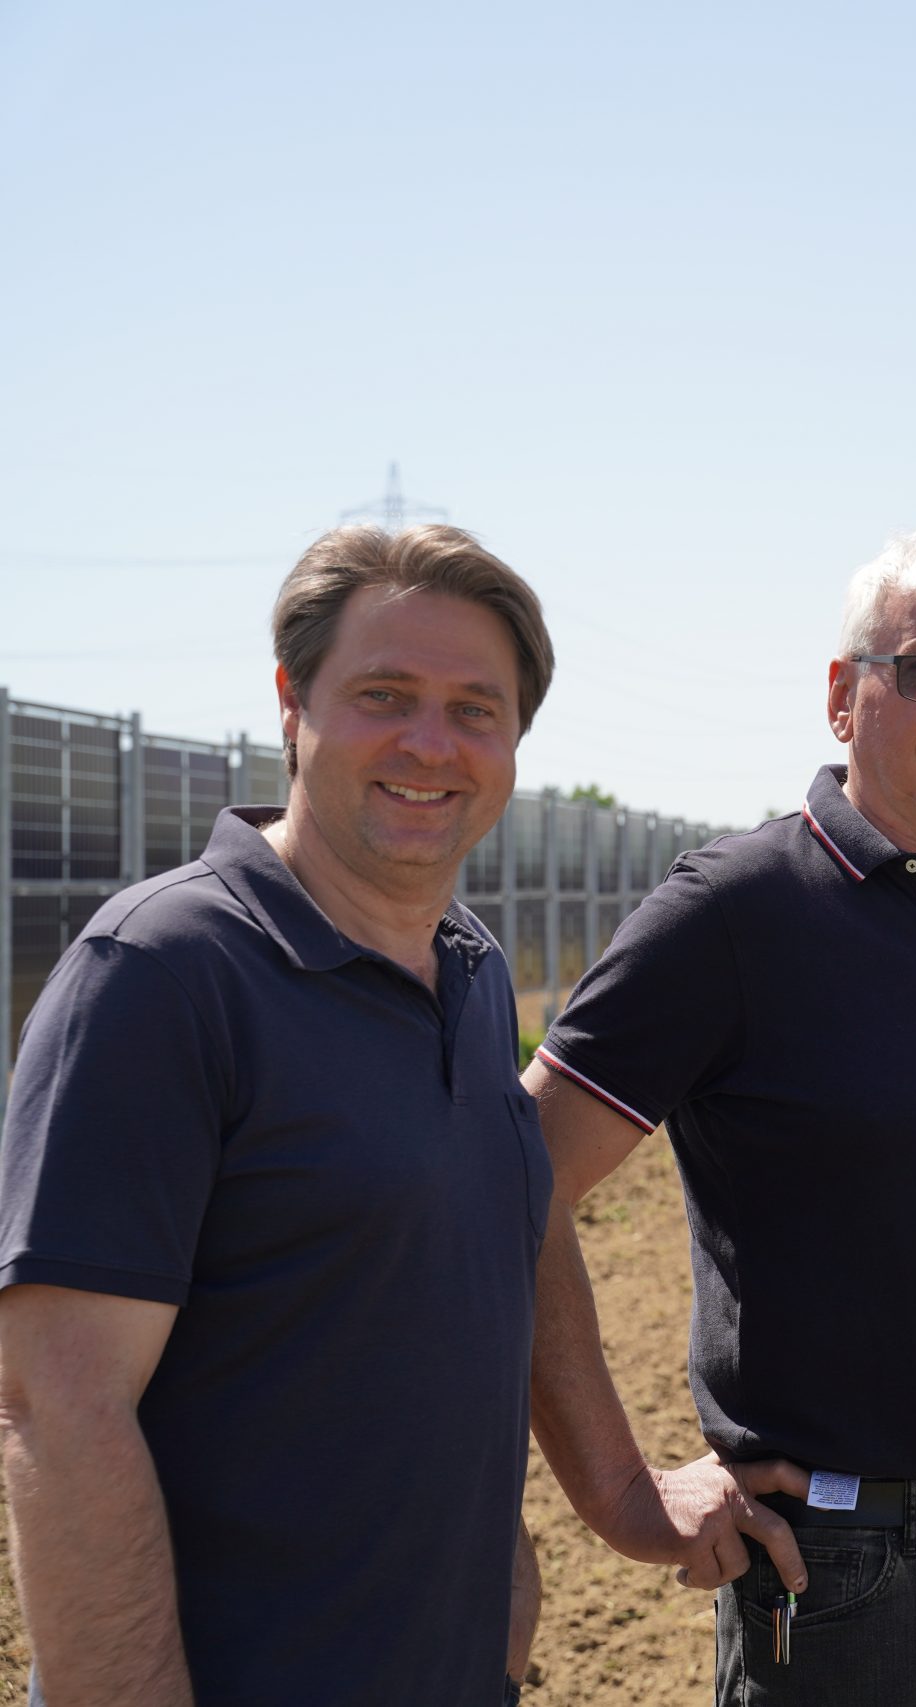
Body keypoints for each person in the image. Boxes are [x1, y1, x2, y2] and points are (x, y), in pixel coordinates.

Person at [521, 528, 916, 1706]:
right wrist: (619, 1491)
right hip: (849, 1581)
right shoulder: (733, 914)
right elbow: (512, 1178)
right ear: (841, 695)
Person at [0, 525, 558, 1706]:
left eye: (475, 709)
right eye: (384, 695)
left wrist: (509, 1584)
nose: (430, 743)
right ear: (292, 705)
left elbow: (440, 1302)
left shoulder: (469, 971)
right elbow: (61, 1407)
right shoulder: (160, 975)